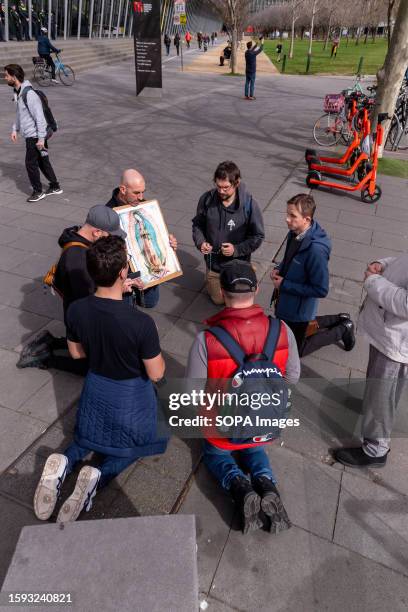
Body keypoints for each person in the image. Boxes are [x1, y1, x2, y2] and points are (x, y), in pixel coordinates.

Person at [33, 235, 168, 523]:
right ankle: (97, 476)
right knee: (140, 443)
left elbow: (76, 353)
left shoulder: (77, 309)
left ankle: (64, 463)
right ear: (123, 273)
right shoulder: (141, 323)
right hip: (131, 394)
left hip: (96, 386)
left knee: (87, 437)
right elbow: (157, 373)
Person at [186, 260, 300, 534]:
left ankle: (238, 484)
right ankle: (265, 482)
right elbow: (292, 377)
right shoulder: (282, 329)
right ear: (257, 288)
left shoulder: (207, 340)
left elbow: (192, 393)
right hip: (264, 424)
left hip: (223, 428)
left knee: (215, 453)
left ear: (222, 293)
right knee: (254, 447)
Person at [17, 205, 127, 374]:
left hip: (74, 309)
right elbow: (88, 301)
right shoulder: (77, 260)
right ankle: (45, 359)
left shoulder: (77, 237)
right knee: (92, 366)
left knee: (82, 344)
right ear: (97, 232)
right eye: (109, 235)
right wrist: (118, 289)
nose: (111, 240)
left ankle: (54, 342)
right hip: (80, 316)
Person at [334, 254, 408, 468]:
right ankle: (375, 412)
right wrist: (384, 265)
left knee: (382, 392)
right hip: (390, 333)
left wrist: (373, 281)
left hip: (396, 341)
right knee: (380, 389)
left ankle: (375, 449)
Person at [270, 194, 355, 356]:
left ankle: (343, 329)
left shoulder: (316, 250)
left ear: (307, 219)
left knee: (297, 351)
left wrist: (284, 285)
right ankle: (339, 318)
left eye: (292, 216)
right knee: (286, 340)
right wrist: (280, 268)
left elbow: (321, 289)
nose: (287, 219)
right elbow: (291, 258)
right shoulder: (295, 231)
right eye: (287, 214)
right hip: (287, 303)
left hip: (298, 311)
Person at [192, 161, 264, 306]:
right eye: (218, 186)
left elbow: (258, 236)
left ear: (236, 183)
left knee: (237, 302)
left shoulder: (250, 204)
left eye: (226, 187)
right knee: (219, 300)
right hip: (215, 265)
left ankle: (249, 268)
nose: (221, 191)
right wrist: (201, 242)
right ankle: (213, 279)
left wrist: (236, 250)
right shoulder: (206, 200)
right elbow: (197, 225)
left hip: (237, 265)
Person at [106, 168, 177, 309]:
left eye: (143, 191)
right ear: (123, 189)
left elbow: (155, 234)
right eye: (136, 193)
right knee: (126, 309)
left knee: (150, 302)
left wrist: (168, 243)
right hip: (123, 274)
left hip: (147, 265)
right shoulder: (108, 213)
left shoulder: (144, 205)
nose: (141, 197)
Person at [4, 63, 62, 202]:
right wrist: (15, 129)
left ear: (14, 76)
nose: (5, 78)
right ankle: (55, 186)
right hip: (35, 135)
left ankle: (38, 191)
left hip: (34, 136)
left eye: (7, 75)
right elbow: (19, 114)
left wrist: (41, 139)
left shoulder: (29, 94)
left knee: (30, 163)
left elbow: (40, 118)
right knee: (43, 161)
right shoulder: (18, 92)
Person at [244, 36, 264, 100]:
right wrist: (262, 43)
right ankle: (251, 96)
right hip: (252, 71)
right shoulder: (253, 53)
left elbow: (252, 48)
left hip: (247, 70)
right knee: (252, 83)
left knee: (247, 83)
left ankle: (246, 95)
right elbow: (260, 50)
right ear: (251, 47)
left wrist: (257, 42)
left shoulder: (246, 52)